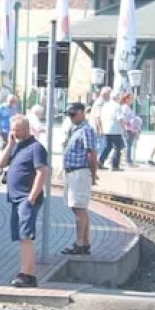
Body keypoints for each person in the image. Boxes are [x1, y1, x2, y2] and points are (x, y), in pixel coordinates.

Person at [0, 114, 49, 288]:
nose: (16, 133)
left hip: (26, 198)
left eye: (18, 130)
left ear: (27, 129)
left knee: (25, 235)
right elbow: (1, 164)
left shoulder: (36, 148)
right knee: (20, 236)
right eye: (13, 130)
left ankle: (26, 273)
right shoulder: (17, 146)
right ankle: (26, 272)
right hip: (15, 199)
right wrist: (10, 144)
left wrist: (32, 197)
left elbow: (42, 172)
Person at [60, 102, 99, 255]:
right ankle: (84, 242)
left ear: (82, 112)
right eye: (69, 115)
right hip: (73, 172)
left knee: (79, 209)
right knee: (79, 208)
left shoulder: (86, 130)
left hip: (80, 172)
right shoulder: (76, 129)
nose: (71, 118)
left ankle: (80, 243)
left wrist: (93, 173)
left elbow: (91, 153)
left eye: (73, 114)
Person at [97, 88, 127, 170]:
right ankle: (115, 165)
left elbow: (100, 117)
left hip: (106, 129)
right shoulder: (117, 106)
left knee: (108, 147)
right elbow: (120, 119)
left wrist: (101, 128)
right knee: (118, 147)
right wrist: (124, 130)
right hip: (115, 130)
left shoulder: (105, 105)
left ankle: (100, 161)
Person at [120, 93, 142, 166]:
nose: (131, 100)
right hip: (127, 128)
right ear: (126, 99)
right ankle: (127, 160)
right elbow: (124, 118)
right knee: (128, 145)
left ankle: (128, 159)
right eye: (130, 98)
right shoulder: (124, 107)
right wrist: (129, 122)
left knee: (129, 144)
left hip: (131, 128)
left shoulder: (128, 107)